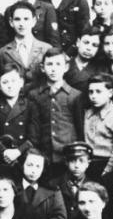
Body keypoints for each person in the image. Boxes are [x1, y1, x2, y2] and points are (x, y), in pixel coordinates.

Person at [29, 48, 84, 178]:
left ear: (65, 67)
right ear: (42, 68)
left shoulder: (75, 96)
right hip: (44, 156)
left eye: (58, 64)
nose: (53, 69)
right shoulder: (35, 95)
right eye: (49, 64)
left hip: (68, 156)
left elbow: (80, 128)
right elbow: (33, 127)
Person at [0, 63, 39, 166]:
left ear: (21, 83)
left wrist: (18, 151)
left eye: (14, 81)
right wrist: (4, 151)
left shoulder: (30, 105)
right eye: (5, 82)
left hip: (24, 156)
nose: (10, 86)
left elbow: (34, 137)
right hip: (1, 157)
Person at [84, 73, 113, 178]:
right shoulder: (87, 114)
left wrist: (107, 172)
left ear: (110, 93)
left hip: (105, 165)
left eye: (98, 92)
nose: (93, 96)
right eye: (91, 92)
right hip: (86, 163)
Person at [0, 1, 52, 87]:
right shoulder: (3, 52)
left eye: (26, 19)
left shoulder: (46, 48)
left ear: (34, 21)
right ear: (11, 22)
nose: (21, 24)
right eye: (17, 19)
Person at [17, 148, 67, 219]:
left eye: (38, 166)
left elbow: (60, 217)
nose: (33, 170)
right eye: (30, 165)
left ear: (43, 169)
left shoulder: (53, 190)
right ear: (22, 165)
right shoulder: (12, 187)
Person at [49, 141, 93, 219]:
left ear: (88, 163)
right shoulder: (54, 184)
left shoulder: (94, 186)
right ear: (66, 162)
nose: (76, 166)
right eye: (73, 161)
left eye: (81, 161)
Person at [64, 26, 107, 93]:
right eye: (86, 43)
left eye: (94, 45)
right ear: (78, 42)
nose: (89, 48)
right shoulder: (65, 65)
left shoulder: (102, 69)